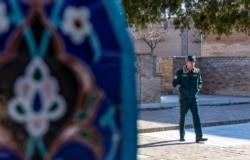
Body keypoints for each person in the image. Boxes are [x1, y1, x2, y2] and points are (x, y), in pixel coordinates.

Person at [172, 55, 208, 143]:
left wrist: (197, 89)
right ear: (186, 62)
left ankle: (199, 136)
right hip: (184, 98)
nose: (192, 63)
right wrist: (182, 91)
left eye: (194, 62)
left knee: (197, 116)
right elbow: (175, 83)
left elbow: (200, 82)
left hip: (194, 98)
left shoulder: (197, 71)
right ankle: (182, 136)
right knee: (183, 117)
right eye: (191, 62)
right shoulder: (180, 72)